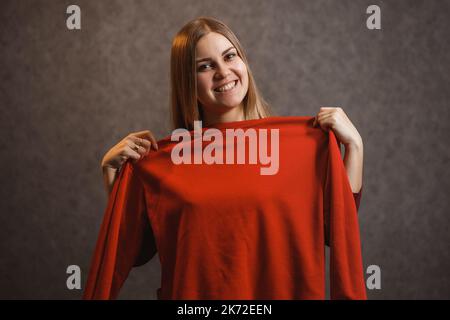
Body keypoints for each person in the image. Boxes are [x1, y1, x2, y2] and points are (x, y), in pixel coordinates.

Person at [85, 16, 366, 300]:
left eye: (229, 56)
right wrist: (113, 174)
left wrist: (354, 146)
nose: (222, 72)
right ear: (187, 83)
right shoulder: (167, 163)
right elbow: (136, 250)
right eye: (204, 66)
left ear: (243, 62)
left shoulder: (299, 149)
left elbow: (336, 231)